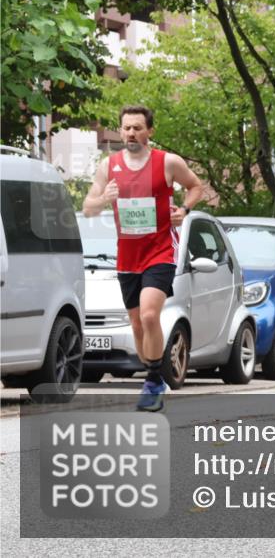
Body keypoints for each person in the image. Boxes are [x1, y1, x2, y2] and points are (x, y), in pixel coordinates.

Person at [82, 105, 204, 412]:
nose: (131, 133)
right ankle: (153, 376)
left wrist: (184, 210)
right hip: (127, 255)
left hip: (161, 250)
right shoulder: (108, 166)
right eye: (127, 128)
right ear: (120, 131)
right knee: (136, 325)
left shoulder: (168, 162)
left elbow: (196, 186)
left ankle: (152, 379)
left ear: (150, 131)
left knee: (150, 315)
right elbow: (88, 208)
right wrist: (104, 199)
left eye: (138, 127)